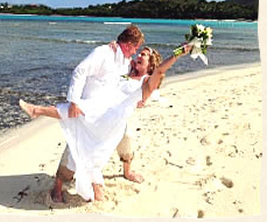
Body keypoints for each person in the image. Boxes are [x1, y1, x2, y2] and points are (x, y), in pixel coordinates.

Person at [20, 39, 192, 202]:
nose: (139, 55)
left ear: (151, 66)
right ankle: (61, 186)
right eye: (140, 53)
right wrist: (114, 47)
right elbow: (112, 61)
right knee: (76, 136)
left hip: (114, 123)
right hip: (99, 114)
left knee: (120, 143)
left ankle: (123, 173)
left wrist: (179, 52)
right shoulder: (125, 71)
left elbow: (160, 71)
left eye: (144, 55)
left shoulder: (146, 83)